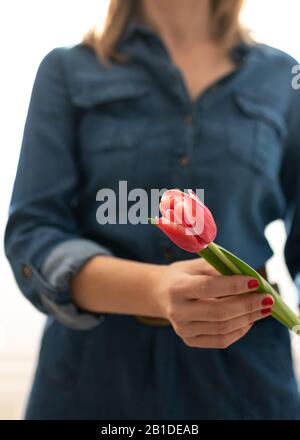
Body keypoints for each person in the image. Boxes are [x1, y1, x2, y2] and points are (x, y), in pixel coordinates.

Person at [5, 0, 300, 419]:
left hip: (247, 384)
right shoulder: (67, 70)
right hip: (94, 380)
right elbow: (31, 235)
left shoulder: (284, 80)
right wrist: (156, 290)